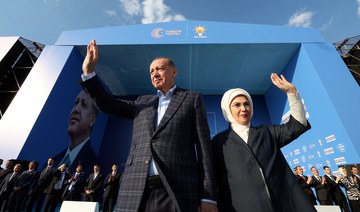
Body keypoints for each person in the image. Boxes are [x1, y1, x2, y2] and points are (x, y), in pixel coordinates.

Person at [80, 40, 217, 212]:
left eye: (159, 68)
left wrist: (208, 196)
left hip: (176, 191)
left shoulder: (191, 98)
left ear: (174, 72)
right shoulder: (142, 102)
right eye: (151, 71)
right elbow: (108, 105)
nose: (154, 73)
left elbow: (204, 150)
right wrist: (89, 72)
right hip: (136, 190)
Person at [212, 73, 316, 212]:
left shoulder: (267, 132)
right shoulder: (219, 141)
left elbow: (298, 125)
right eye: (237, 105)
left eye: (246, 104)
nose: (243, 109)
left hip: (280, 205)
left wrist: (292, 93)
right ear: (227, 110)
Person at [53, 90, 99, 175]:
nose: (76, 109)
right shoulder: (54, 161)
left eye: (83, 104)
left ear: (92, 120)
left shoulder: (92, 164)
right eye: (76, 103)